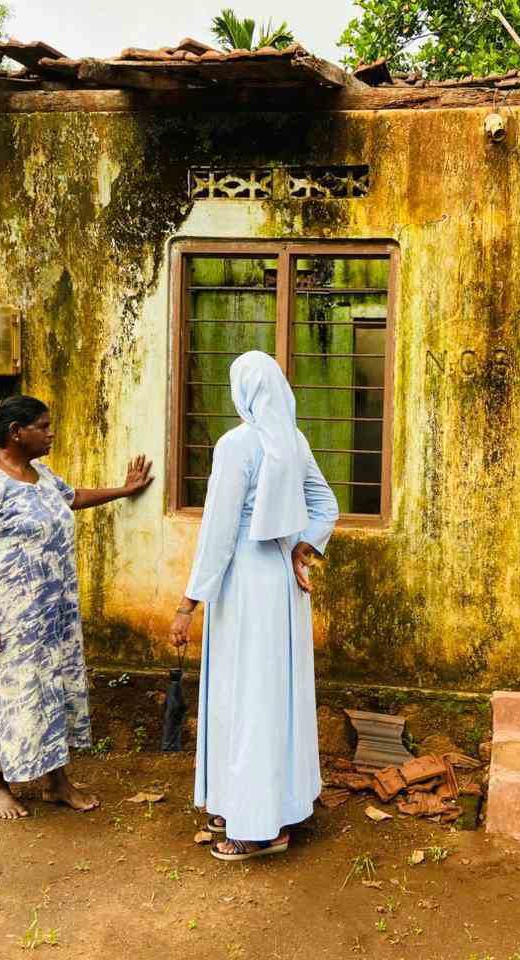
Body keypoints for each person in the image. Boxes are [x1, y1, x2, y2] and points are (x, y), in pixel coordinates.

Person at [170, 351, 339, 861]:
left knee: (244, 698)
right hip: (283, 588)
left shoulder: (236, 445)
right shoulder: (294, 440)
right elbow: (325, 504)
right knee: (272, 697)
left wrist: (188, 604)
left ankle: (260, 828)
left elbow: (220, 533)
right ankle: (258, 804)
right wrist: (301, 549)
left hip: (243, 585)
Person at [0, 395, 153, 819]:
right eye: (43, 426)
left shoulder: (40, 475)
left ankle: (55, 782)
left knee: (51, 695)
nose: (51, 433)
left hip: (51, 618)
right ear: (16, 433)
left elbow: (72, 497)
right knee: (2, 696)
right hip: (5, 618)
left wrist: (125, 489)